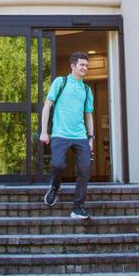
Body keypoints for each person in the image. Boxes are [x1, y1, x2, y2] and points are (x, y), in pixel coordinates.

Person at [39, 51, 95, 219]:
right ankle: (55, 187)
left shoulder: (86, 89)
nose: (85, 68)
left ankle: (77, 207)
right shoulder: (60, 82)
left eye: (86, 65)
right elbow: (47, 106)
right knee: (57, 165)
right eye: (82, 65)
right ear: (73, 66)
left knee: (85, 169)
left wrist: (91, 137)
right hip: (60, 134)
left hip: (80, 136)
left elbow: (89, 114)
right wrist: (43, 131)